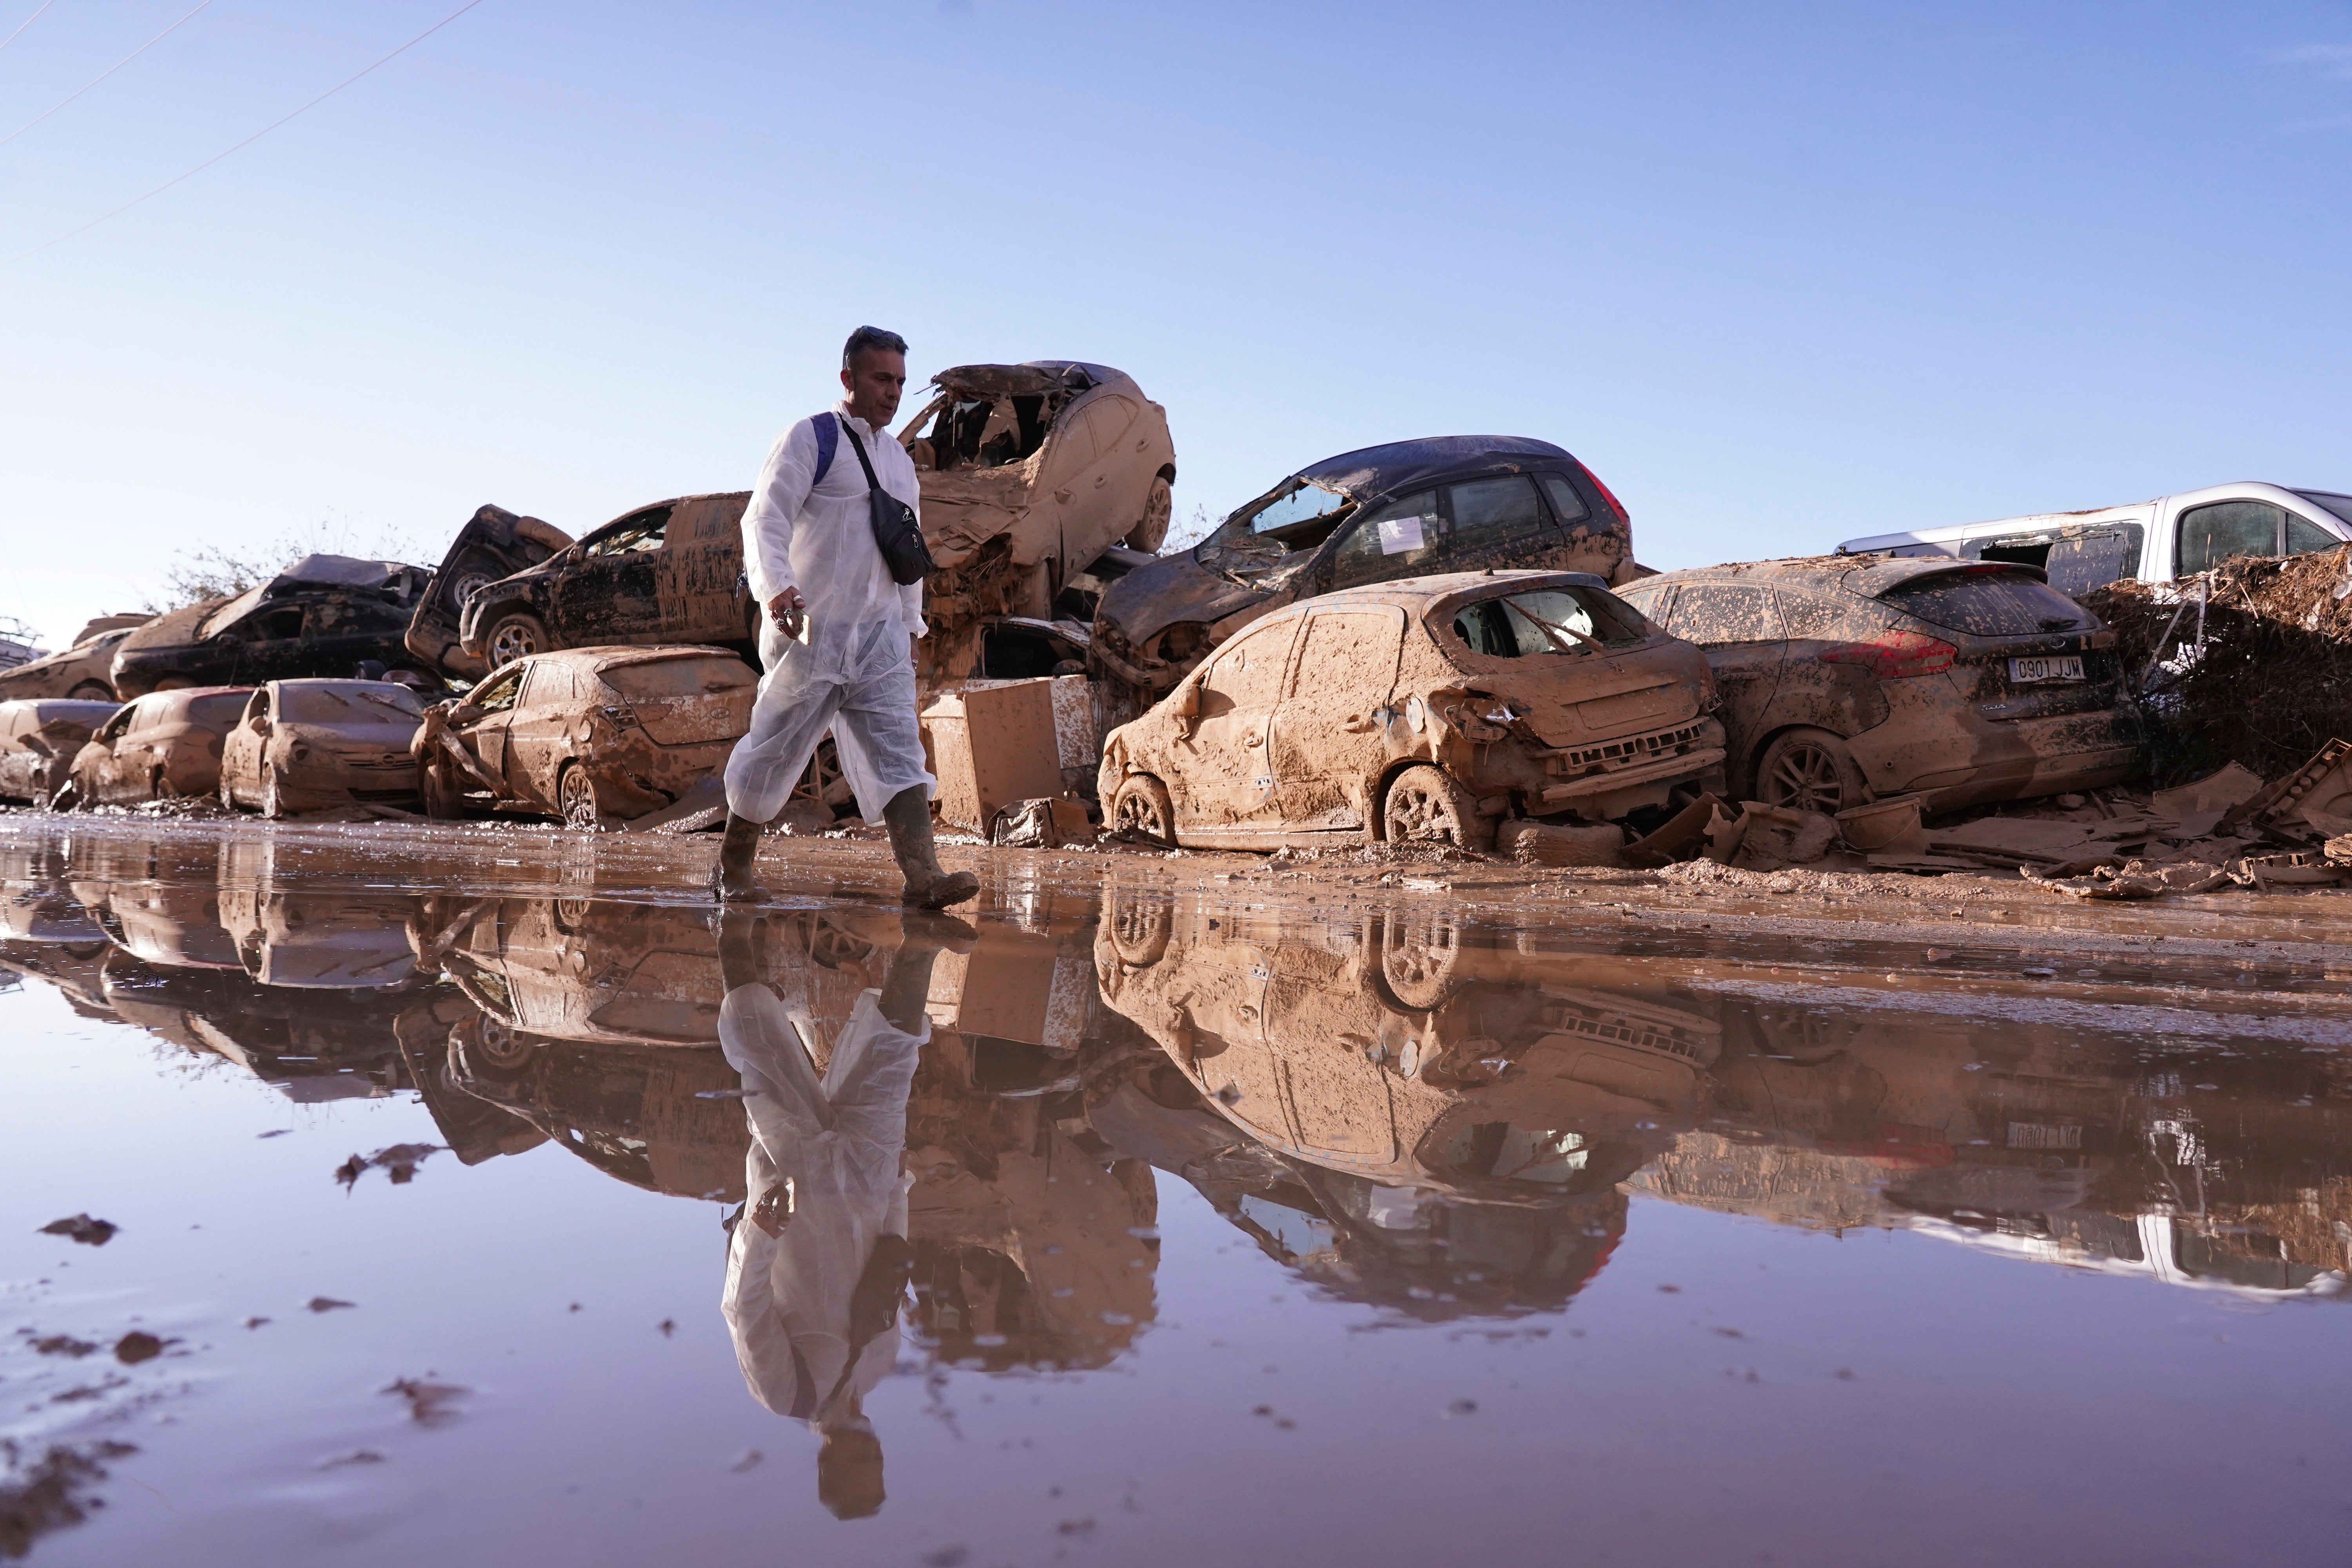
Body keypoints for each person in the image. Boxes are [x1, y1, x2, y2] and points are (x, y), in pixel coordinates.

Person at [714, 326, 980, 909]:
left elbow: (905, 551)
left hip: (880, 637)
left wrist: (910, 627)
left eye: (900, 382)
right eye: (882, 379)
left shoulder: (899, 463)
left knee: (900, 749)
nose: (892, 392)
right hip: (809, 630)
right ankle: (733, 868)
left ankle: (924, 876)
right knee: (776, 747)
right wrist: (777, 590)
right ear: (849, 379)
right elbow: (765, 521)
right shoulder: (812, 439)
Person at [715, 906, 967, 1519]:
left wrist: (759, 1231)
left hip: (793, 1171)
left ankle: (735, 908)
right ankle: (923, 931)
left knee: (754, 1032)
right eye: (877, 1463)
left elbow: (742, 1307)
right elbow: (891, 1259)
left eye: (859, 1465)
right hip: (869, 1170)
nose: (871, 1453)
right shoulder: (881, 1365)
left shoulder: (785, 1393)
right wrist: (899, 1187)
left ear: (829, 1462)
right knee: (897, 1050)